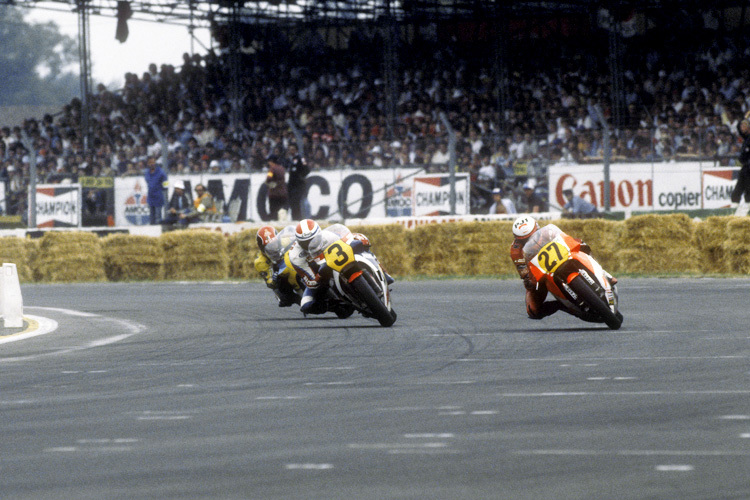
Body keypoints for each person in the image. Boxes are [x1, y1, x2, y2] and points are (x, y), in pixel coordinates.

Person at [509, 215, 615, 320]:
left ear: (537, 228)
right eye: (525, 240)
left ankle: (604, 274)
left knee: (582, 245)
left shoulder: (548, 231)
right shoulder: (515, 251)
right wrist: (528, 279)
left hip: (563, 257)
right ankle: (562, 305)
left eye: (532, 236)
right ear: (517, 240)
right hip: (542, 272)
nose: (530, 240)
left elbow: (566, 239)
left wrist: (576, 244)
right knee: (533, 310)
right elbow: (523, 271)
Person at [254, 224, 302, 307]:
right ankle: (298, 299)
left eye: (274, 243)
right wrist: (274, 280)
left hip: (294, 263)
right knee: (282, 296)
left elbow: (300, 242)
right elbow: (269, 283)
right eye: (269, 247)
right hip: (281, 274)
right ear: (261, 248)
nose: (273, 248)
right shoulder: (260, 262)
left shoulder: (285, 241)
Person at [731, 115, 750, 206]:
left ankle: (747, 203)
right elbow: (738, 128)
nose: (742, 128)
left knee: (748, 187)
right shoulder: (746, 137)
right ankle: (735, 202)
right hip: (745, 166)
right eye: (742, 126)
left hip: (748, 166)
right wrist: (744, 118)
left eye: (744, 126)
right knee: (739, 186)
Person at [286, 153, 310, 220]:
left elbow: (307, 169)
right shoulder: (291, 160)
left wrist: (300, 176)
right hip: (293, 186)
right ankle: (295, 218)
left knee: (303, 202)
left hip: (299, 186)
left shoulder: (301, 158)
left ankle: (304, 218)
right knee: (294, 203)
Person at [144, 158, 167, 224]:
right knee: (151, 216)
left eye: (153, 162)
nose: (152, 164)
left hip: (158, 197)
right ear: (148, 164)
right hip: (150, 197)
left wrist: (162, 189)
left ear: (155, 163)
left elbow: (166, 183)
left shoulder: (161, 172)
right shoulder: (147, 172)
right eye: (150, 162)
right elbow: (147, 181)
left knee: (158, 216)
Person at [265, 156, 288, 220]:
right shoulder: (282, 168)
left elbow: (269, 178)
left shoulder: (272, 169)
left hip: (274, 193)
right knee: (282, 209)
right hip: (283, 193)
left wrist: (267, 182)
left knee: (273, 211)